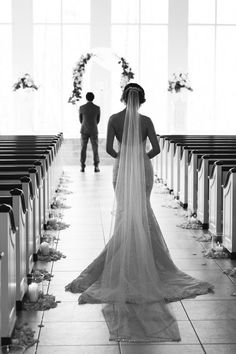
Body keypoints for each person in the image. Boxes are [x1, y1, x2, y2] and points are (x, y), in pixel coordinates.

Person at [66, 83, 213, 342]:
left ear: (123, 97)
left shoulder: (113, 118)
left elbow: (110, 149)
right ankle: (148, 259)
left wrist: (125, 155)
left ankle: (124, 257)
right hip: (143, 168)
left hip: (122, 167)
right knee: (143, 210)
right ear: (142, 100)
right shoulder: (145, 120)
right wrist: (140, 156)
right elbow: (155, 149)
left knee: (125, 212)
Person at [79, 92, 100, 172]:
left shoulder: (82, 107)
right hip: (94, 129)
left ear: (86, 98)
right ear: (93, 98)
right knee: (95, 148)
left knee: (83, 148)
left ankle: (82, 166)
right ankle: (96, 166)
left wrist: (85, 124)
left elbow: (80, 120)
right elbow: (98, 120)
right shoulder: (97, 108)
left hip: (84, 129)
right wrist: (93, 124)